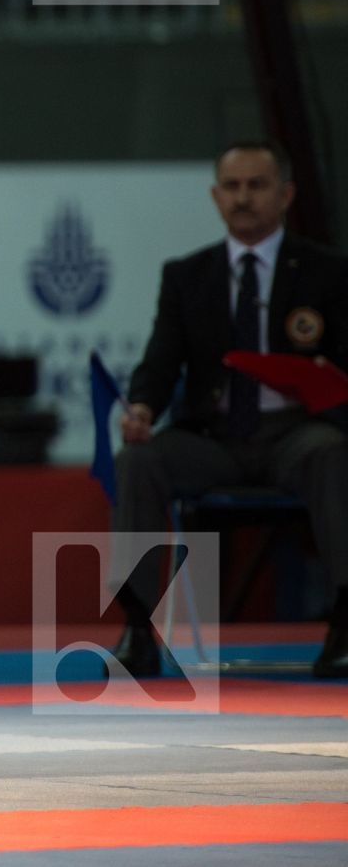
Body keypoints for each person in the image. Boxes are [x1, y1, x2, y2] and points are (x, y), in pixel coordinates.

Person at [113, 140, 348, 679]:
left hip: (296, 434)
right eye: (233, 187)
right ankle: (136, 627)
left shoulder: (326, 272)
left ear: (285, 194)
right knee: (139, 460)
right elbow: (160, 361)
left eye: (257, 185)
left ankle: (343, 624)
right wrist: (143, 408)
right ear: (216, 197)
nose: (244, 198)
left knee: (332, 452)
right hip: (213, 438)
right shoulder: (187, 276)